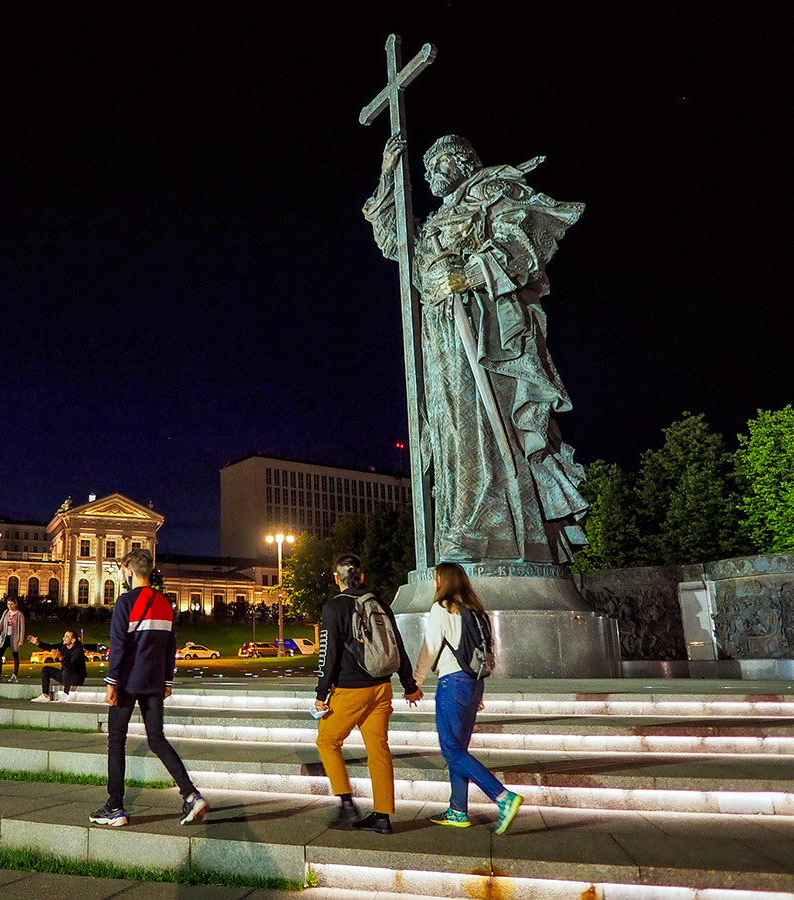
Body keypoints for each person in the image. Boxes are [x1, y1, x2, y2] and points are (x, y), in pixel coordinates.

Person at [364, 133, 587, 565]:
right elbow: (394, 241)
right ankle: (460, 524)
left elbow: (521, 246)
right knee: (450, 427)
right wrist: (388, 175)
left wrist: (468, 275)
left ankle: (492, 529)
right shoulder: (432, 224)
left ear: (462, 163)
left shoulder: (490, 192)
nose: (430, 176)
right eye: (425, 170)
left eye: (438, 166)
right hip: (441, 336)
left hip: (485, 332)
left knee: (485, 424)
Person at [90, 548, 208, 828]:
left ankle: (115, 807)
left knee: (116, 740)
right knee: (157, 739)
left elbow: (118, 646)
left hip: (128, 682)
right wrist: (167, 680)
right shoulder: (165, 603)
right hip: (155, 682)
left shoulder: (125, 602)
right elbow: (171, 646)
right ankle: (190, 794)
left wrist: (111, 682)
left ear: (129, 571)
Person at [314, 554, 421, 834]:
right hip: (381, 688)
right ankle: (382, 816)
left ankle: (347, 803)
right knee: (378, 750)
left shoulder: (334, 607)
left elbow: (329, 654)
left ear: (336, 578)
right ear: (362, 576)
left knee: (327, 741)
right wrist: (409, 685)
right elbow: (397, 645)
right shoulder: (379, 603)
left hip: (351, 691)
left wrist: (321, 693)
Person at [413, 562, 522, 833]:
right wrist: (474, 689)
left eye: (436, 578)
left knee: (451, 749)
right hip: (473, 684)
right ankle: (458, 810)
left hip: (453, 683)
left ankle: (503, 797)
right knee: (458, 750)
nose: (433, 583)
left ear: (444, 580)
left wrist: (415, 681)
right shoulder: (476, 611)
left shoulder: (443, 608)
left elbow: (430, 649)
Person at [26, 629, 87, 702]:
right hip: (65, 676)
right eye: (64, 636)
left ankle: (66, 694)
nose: (63, 638)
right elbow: (50, 647)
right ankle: (45, 695)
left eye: (66, 637)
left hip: (77, 678)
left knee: (66, 670)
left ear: (73, 640)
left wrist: (60, 657)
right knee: (46, 669)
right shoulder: (63, 646)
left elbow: (70, 667)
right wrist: (37, 643)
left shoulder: (78, 651)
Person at [0, 597, 25, 682]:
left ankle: (15, 674)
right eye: (8, 604)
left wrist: (21, 640)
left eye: (11, 604)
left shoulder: (19, 615)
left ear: (15, 604)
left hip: (14, 638)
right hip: (5, 636)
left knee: (15, 656)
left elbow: (22, 628)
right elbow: (1, 623)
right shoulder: (6, 613)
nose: (10, 606)